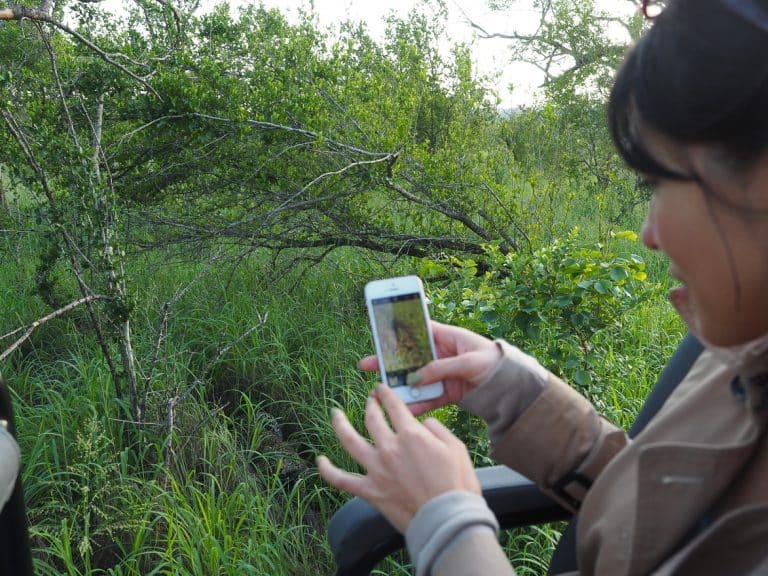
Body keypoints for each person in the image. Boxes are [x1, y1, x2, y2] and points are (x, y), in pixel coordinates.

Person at [317, 0, 768, 573]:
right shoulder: (743, 350)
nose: (649, 233)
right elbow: (665, 514)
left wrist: (449, 527)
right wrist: (514, 390)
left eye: (657, 180)